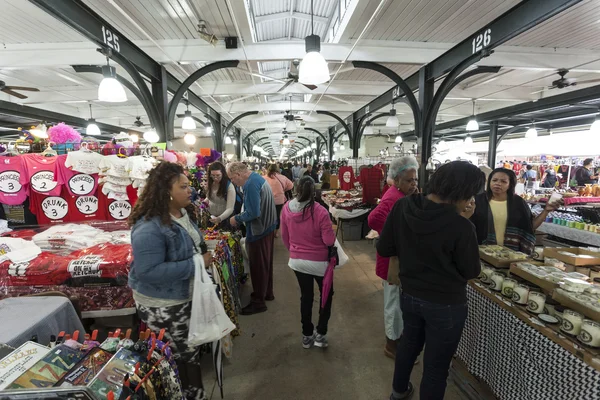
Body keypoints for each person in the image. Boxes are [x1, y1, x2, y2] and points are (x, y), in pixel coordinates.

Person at [377, 161, 485, 400]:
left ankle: (398, 392)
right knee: (436, 366)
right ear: (463, 192)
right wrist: (465, 221)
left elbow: (384, 247)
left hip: (410, 295)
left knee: (408, 346)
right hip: (446, 304)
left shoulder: (403, 205)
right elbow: (470, 271)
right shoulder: (461, 226)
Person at [128, 162, 212, 400]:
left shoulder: (181, 214)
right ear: (166, 191)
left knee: (189, 352)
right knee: (181, 357)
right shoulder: (149, 227)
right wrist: (197, 263)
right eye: (183, 187)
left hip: (182, 295)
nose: (190, 191)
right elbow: (148, 271)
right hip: (163, 303)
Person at [367, 156, 419, 360]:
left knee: (398, 303)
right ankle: (391, 345)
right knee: (393, 305)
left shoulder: (402, 195)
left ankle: (398, 339)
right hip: (392, 262)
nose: (413, 184)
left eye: (415, 179)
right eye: (408, 180)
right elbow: (373, 219)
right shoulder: (392, 197)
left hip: (399, 260)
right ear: (396, 180)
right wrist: (392, 236)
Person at [280, 176, 336, 349]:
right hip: (319, 262)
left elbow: (284, 237)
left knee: (306, 296)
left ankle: (306, 335)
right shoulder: (320, 211)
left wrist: (295, 251)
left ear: (296, 189)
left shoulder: (286, 208)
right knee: (326, 295)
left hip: (297, 261)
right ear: (314, 191)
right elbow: (328, 240)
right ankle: (321, 334)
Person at [470, 168, 560, 255]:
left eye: (503, 181)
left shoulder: (518, 203)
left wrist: (546, 211)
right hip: (481, 253)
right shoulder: (477, 201)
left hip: (511, 255)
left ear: (510, 184)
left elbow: (530, 228)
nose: (498, 183)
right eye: (494, 180)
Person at [228, 162, 278, 315]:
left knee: (258, 268)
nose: (233, 182)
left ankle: (258, 302)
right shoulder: (258, 178)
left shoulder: (250, 184)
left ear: (238, 174)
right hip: (268, 228)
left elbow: (253, 213)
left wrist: (236, 218)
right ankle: (266, 293)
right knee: (266, 265)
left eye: (232, 178)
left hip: (259, 231)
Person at [264, 163, 294, 238]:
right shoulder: (282, 177)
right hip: (279, 200)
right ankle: (276, 233)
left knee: (268, 215)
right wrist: (283, 189)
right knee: (277, 215)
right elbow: (291, 185)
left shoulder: (264, 178)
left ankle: (269, 231)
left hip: (268, 199)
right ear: (277, 169)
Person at [204, 161, 236, 228]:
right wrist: (204, 203)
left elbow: (230, 208)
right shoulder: (210, 184)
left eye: (218, 175)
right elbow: (210, 198)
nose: (215, 178)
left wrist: (219, 218)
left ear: (223, 174)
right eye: (213, 175)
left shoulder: (229, 186)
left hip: (225, 220)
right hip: (211, 218)